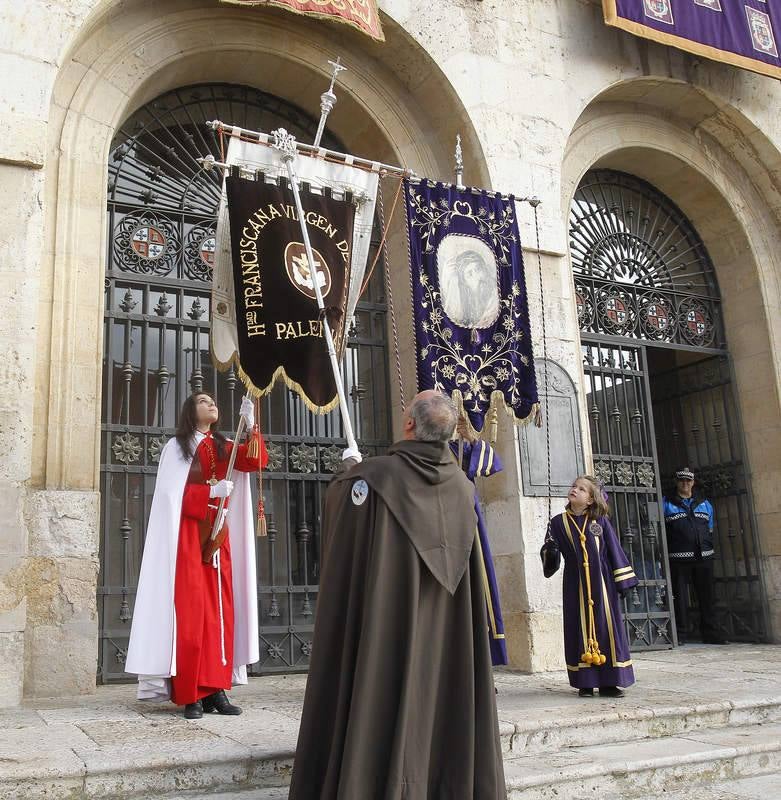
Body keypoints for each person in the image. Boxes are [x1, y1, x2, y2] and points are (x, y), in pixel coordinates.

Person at [288, 390, 507, 800]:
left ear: (410, 424)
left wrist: (349, 473)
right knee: (436, 695)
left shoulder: (375, 477)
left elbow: (341, 519)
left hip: (387, 624)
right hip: (443, 630)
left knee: (383, 692)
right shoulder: (462, 485)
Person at [126, 393, 268, 718]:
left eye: (214, 401)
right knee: (191, 617)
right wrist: (209, 492)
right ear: (191, 410)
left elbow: (256, 460)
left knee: (218, 614)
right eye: (204, 401)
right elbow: (170, 495)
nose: (212, 403)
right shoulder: (177, 448)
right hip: (188, 538)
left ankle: (215, 690)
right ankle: (191, 694)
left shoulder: (223, 446)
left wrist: (252, 427)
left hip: (217, 538)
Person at [543, 475, 638, 698]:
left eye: (582, 489)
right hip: (575, 585)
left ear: (590, 500)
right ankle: (584, 682)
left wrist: (623, 581)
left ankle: (609, 682)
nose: (575, 490)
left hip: (602, 583)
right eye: (574, 486)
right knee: (578, 627)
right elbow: (551, 561)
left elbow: (613, 550)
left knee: (605, 629)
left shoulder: (600, 522)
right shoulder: (558, 522)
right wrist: (549, 552)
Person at [451, 418, 508, 665]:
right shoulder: (425, 451)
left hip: (467, 520)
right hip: (437, 522)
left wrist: (472, 438)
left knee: (477, 587)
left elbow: (493, 464)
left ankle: (480, 667)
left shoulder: (459, 449)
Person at [663, 467, 726, 645]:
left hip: (704, 557)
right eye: (682, 480)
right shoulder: (666, 502)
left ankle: (711, 633)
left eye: (688, 480)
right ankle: (681, 634)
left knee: (708, 597)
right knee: (680, 597)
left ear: (693, 482)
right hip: (678, 558)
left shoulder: (704, 503)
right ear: (677, 482)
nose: (685, 483)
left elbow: (710, 528)